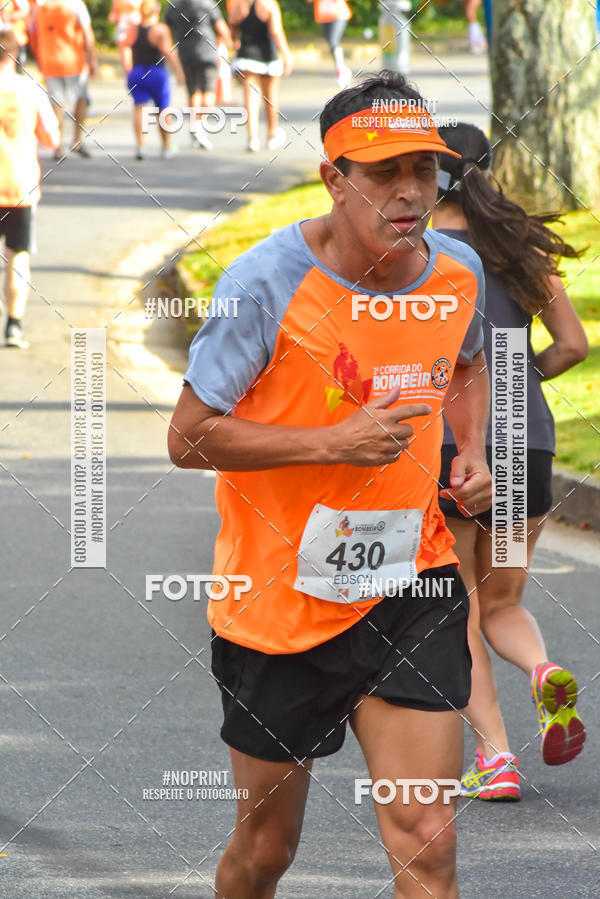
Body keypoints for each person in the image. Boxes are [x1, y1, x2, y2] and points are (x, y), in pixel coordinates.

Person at [169, 70, 493, 898]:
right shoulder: (264, 283)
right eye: (384, 172)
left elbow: (467, 363)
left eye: (424, 169)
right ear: (333, 179)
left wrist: (471, 450)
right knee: (266, 849)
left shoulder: (457, 272)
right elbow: (188, 435)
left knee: (428, 837)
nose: (410, 190)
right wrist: (331, 441)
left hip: (412, 581)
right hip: (280, 599)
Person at [433, 122, 588, 801]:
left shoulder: (421, 250)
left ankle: (496, 758)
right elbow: (574, 345)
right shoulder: (519, 244)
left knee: (458, 608)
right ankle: (542, 669)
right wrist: (520, 378)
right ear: (488, 169)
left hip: (451, 443)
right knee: (504, 602)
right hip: (527, 440)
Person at [0, 29, 59, 347]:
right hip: (19, 186)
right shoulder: (30, 89)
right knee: (18, 256)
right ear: (17, 55)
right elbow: (52, 137)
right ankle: (14, 326)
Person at [29, 0, 97, 159]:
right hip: (73, 61)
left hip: (49, 61)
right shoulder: (76, 5)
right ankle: (76, 140)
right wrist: (92, 59)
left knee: (56, 104)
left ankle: (57, 146)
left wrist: (39, 58)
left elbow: (33, 35)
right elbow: (87, 34)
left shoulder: (40, 7)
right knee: (81, 98)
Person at [119, 0, 184, 160]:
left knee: (139, 108)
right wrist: (179, 71)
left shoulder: (132, 29)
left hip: (137, 72)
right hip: (156, 73)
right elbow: (168, 51)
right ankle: (166, 147)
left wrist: (128, 71)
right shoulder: (160, 29)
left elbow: (125, 49)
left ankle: (141, 147)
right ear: (156, 10)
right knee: (163, 109)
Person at [164, 0, 231, 151]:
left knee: (193, 91)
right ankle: (200, 126)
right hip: (207, 52)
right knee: (209, 92)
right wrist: (231, 43)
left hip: (186, 54)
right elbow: (221, 27)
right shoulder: (206, 3)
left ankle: (195, 125)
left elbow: (166, 29)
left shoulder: (174, 6)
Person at [229, 0, 292, 152]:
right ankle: (272, 135)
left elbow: (232, 29)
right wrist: (286, 54)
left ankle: (252, 138)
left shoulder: (239, 5)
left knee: (250, 98)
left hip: (246, 57)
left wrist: (235, 41)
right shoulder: (269, 4)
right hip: (267, 56)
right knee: (270, 98)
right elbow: (276, 32)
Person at [307, 0, 352, 87]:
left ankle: (341, 70)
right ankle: (342, 69)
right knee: (331, 44)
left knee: (333, 40)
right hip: (324, 16)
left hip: (338, 14)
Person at [108, 0, 141, 73]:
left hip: (136, 27)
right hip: (123, 27)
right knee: (126, 59)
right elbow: (113, 16)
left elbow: (135, 5)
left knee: (138, 57)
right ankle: (130, 76)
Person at [0, 0, 30, 71]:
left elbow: (26, 11)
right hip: (6, 38)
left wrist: (11, 16)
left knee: (19, 66)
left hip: (18, 37)